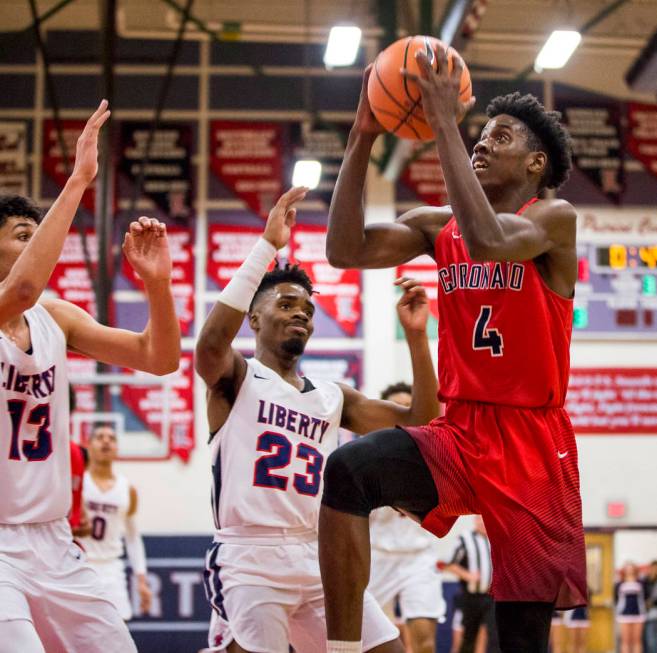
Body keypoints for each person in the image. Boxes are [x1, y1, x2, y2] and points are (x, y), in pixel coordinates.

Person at [318, 45, 586, 653]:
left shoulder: (554, 219)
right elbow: (343, 250)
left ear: (537, 163)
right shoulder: (435, 225)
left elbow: (489, 241)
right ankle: (340, 648)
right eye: (480, 134)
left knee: (520, 638)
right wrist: (361, 135)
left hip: (532, 446)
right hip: (461, 433)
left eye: (502, 137)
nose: (482, 143)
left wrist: (445, 121)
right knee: (348, 471)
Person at [195, 187, 440, 653]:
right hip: (249, 556)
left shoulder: (332, 396)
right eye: (286, 305)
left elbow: (422, 422)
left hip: (318, 553)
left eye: (307, 310)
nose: (300, 315)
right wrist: (267, 246)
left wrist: (415, 337)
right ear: (254, 318)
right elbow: (208, 346)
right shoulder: (238, 377)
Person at [0, 100, 181, 653]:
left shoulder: (55, 318)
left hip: (56, 541)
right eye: (20, 234)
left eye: (36, 232)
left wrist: (157, 283)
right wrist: (79, 179)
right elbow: (23, 289)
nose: (32, 243)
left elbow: (159, 358)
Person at [368, 382, 444, 653]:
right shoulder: (368, 456)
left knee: (425, 641)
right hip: (378, 557)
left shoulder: (434, 456)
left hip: (418, 558)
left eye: (408, 406)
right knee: (373, 642)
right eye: (396, 407)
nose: (404, 411)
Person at [78, 423, 152, 620]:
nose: (106, 441)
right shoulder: (78, 482)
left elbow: (133, 537)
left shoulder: (127, 489)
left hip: (111, 567)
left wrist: (141, 580)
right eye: (100, 437)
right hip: (79, 565)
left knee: (119, 630)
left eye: (112, 438)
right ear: (89, 444)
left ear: (117, 449)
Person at [444, 517, 499, 653]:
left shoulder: (497, 539)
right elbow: (450, 564)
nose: (483, 522)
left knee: (494, 634)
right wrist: (468, 576)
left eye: (485, 519)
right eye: (480, 519)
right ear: (475, 521)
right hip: (471, 597)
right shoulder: (465, 538)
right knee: (469, 636)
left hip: (493, 598)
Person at [615, 562, 647, 653]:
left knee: (637, 641)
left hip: (638, 614)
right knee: (625, 641)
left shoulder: (641, 582)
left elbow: (644, 597)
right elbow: (617, 599)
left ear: (635, 569)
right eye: (627, 568)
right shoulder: (619, 583)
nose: (629, 570)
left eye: (631, 567)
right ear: (624, 570)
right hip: (624, 614)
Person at [645, 561, 657, 653]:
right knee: (650, 641)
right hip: (649, 615)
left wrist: (652, 602)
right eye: (653, 568)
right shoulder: (645, 581)